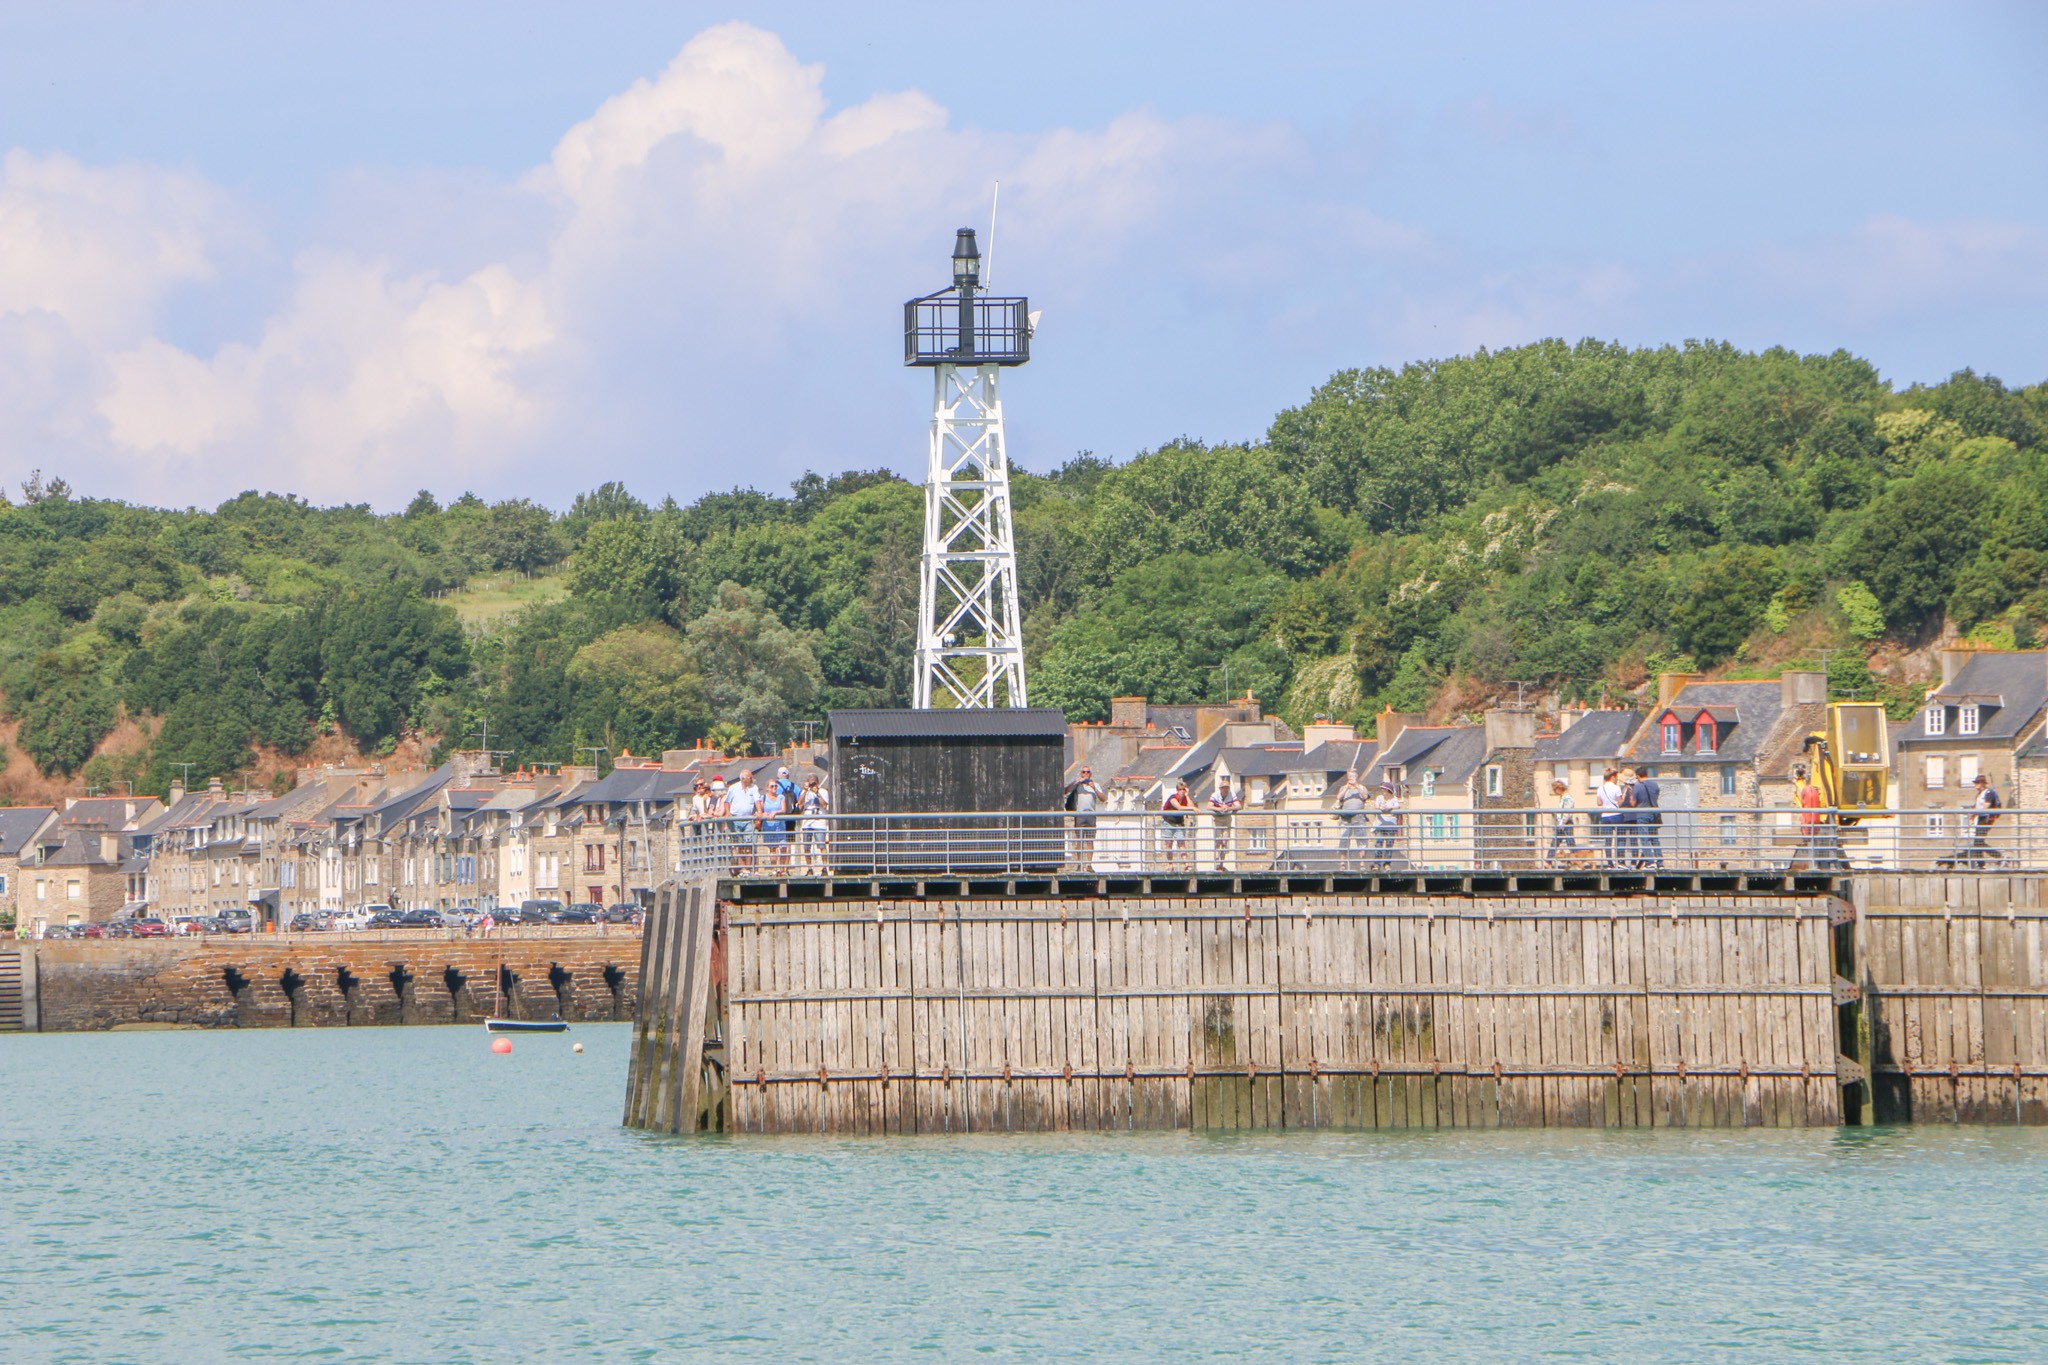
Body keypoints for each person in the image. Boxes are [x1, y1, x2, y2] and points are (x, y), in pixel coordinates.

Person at [1065, 766, 1106, 869]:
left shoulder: (1095, 785)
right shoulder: (1077, 786)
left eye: (1088, 772)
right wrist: (1076, 783)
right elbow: (1065, 791)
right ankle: (1079, 864)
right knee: (1079, 840)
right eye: (1084, 772)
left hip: (1091, 815)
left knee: (1090, 841)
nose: (1086, 774)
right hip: (1080, 815)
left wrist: (1094, 788)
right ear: (1081, 774)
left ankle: (1089, 864)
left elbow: (1103, 799)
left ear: (1090, 774)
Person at [725, 769, 763, 873]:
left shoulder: (754, 788)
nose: (752, 780)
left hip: (748, 819)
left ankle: (749, 867)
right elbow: (727, 801)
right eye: (750, 778)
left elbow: (757, 800)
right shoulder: (733, 788)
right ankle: (743, 868)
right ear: (743, 778)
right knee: (739, 844)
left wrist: (759, 811)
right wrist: (728, 813)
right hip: (736, 819)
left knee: (749, 844)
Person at [1964, 772, 2003, 867]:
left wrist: (1974, 813)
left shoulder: (1988, 793)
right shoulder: (1979, 794)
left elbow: (1986, 806)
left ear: (1982, 784)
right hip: (1981, 818)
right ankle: (1981, 862)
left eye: (1977, 783)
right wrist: (1972, 816)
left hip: (1986, 818)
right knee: (1978, 841)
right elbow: (1977, 806)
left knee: (1979, 842)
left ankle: (1997, 856)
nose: (1975, 785)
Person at [1334, 771, 1370, 868]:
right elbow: (1338, 797)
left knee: (1362, 841)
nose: (1351, 778)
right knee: (1343, 840)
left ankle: (1362, 864)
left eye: (1353, 776)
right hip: (1345, 818)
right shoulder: (1343, 788)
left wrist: (1356, 785)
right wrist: (1346, 787)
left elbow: (1365, 796)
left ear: (1357, 776)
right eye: (1349, 776)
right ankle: (1342, 863)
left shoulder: (1362, 787)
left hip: (1358, 817)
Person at [1208, 775, 1244, 870]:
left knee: (1225, 841)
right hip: (1217, 819)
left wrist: (1229, 808)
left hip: (1227, 818)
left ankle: (1221, 863)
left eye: (1227, 788)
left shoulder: (1232, 795)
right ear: (1220, 789)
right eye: (1223, 788)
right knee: (1218, 841)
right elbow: (1209, 806)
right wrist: (1219, 808)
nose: (1225, 790)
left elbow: (1238, 806)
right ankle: (1216, 862)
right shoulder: (1215, 795)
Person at [798, 776, 831, 875]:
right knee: (807, 846)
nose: (812, 785)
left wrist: (817, 793)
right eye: (810, 783)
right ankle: (809, 868)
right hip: (807, 822)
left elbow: (825, 805)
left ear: (818, 783)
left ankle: (824, 867)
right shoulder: (806, 792)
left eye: (814, 783)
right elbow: (799, 802)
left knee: (821, 845)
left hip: (819, 822)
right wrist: (805, 790)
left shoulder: (823, 791)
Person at [1631, 768, 1663, 869]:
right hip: (1653, 813)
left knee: (1644, 838)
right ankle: (1660, 863)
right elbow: (1656, 797)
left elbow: (1633, 803)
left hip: (1642, 814)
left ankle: (1650, 862)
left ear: (1637, 776)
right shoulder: (1654, 784)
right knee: (1654, 839)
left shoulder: (1637, 786)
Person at [1160, 778, 1195, 869]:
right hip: (1168, 823)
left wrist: (1187, 796)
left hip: (1179, 823)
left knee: (1181, 843)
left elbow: (1191, 806)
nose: (1182, 791)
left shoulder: (1185, 799)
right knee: (1169, 844)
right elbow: (1179, 807)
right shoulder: (1173, 798)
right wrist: (1192, 809)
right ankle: (1170, 865)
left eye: (1184, 789)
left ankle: (1186, 864)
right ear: (1177, 790)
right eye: (1180, 789)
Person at [760, 778, 791, 872]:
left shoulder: (781, 797)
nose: (774, 788)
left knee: (783, 847)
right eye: (772, 786)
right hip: (768, 826)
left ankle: (781, 869)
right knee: (772, 848)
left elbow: (783, 810)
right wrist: (763, 814)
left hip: (779, 826)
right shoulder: (763, 798)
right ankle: (774, 870)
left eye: (776, 786)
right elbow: (760, 811)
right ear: (767, 788)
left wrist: (775, 812)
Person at [1596, 768, 1626, 866]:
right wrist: (1624, 796)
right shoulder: (1616, 788)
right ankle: (1620, 861)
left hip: (1605, 815)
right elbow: (1620, 802)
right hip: (1616, 815)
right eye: (1616, 777)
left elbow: (1599, 803)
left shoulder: (1600, 788)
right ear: (1612, 777)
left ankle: (1610, 863)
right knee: (1620, 839)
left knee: (1608, 840)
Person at [1369, 780, 1402, 869]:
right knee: (1378, 843)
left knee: (1389, 844)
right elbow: (1376, 805)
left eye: (1384, 789)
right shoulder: (1379, 798)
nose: (1382, 791)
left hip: (1391, 825)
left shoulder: (1394, 799)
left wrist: (1389, 807)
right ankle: (1377, 863)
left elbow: (1397, 806)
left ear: (1388, 790)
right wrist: (1380, 808)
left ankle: (1387, 864)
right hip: (1380, 825)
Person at [1547, 779, 1579, 867]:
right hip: (1561, 823)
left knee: (1570, 842)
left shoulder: (1567, 798)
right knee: (1555, 842)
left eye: (1555, 789)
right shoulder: (1562, 798)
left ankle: (1576, 859)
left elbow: (1567, 812)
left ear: (1559, 788)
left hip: (1566, 823)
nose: (1554, 792)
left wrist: (1562, 822)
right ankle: (1548, 862)